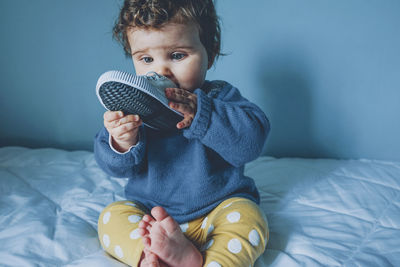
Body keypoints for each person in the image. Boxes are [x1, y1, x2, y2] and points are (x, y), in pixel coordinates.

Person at [94, 0, 270, 266]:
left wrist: (203, 114)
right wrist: (121, 141)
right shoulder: (137, 107)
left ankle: (206, 261)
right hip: (153, 215)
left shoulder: (219, 97)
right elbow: (114, 168)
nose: (160, 71)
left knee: (250, 217)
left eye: (177, 55)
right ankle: (152, 257)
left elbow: (250, 144)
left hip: (218, 209)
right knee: (111, 217)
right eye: (146, 58)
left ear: (210, 52)